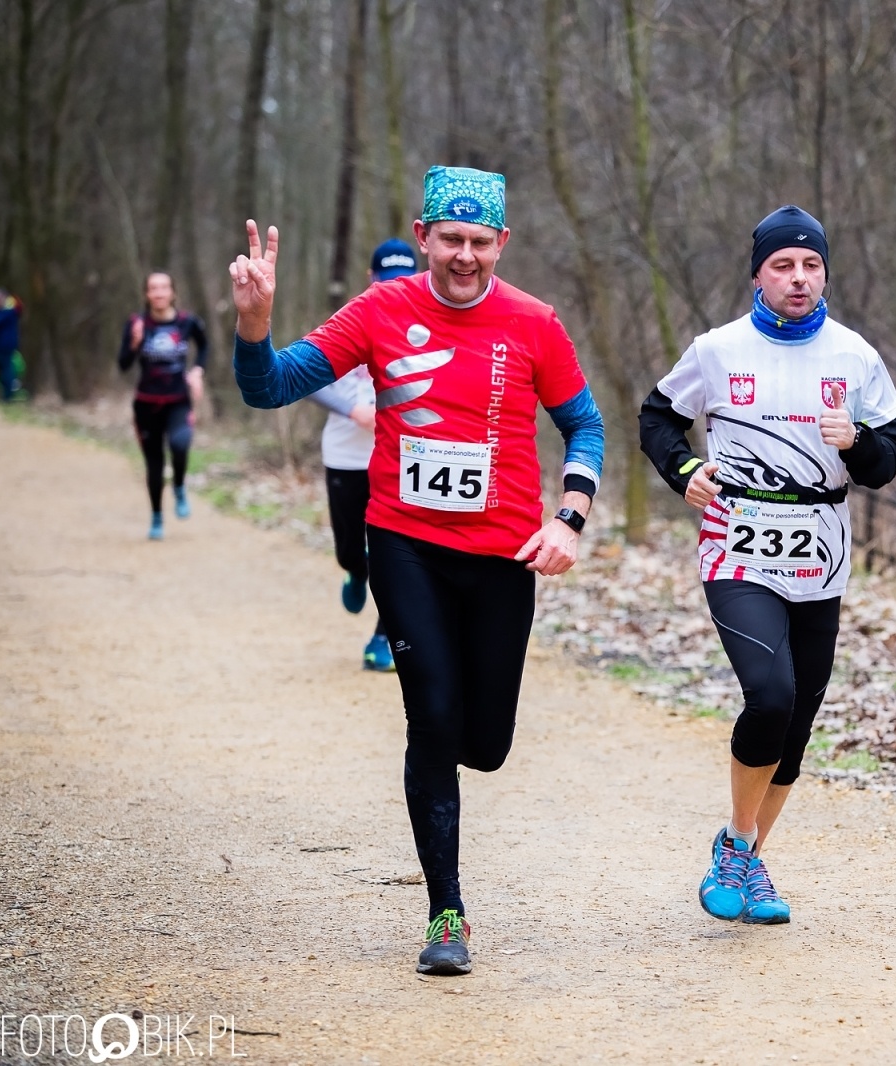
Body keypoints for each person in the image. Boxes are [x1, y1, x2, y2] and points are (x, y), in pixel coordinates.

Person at [228, 166, 605, 976]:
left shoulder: (534, 323)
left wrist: (568, 518)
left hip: (504, 554)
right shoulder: (381, 310)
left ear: (501, 243)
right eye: (450, 240)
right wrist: (254, 322)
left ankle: (449, 756)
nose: (464, 257)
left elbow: (585, 426)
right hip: (405, 543)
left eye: (479, 242)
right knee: (431, 718)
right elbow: (270, 387)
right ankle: (446, 913)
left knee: (488, 744)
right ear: (423, 235)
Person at [639, 205, 896, 925]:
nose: (799, 277)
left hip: (821, 548)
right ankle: (737, 845)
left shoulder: (855, 356)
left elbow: (888, 460)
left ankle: (745, 854)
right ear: (758, 273)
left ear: (825, 273)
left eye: (811, 264)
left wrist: (857, 442)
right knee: (771, 692)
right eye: (783, 265)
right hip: (738, 540)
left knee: (800, 718)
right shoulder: (718, 349)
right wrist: (684, 466)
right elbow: (656, 416)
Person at [305, 238, 421, 672]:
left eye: (405, 280)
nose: (397, 289)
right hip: (346, 454)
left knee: (400, 556)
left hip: (402, 461)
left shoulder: (431, 328)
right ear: (372, 279)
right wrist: (352, 409)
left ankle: (383, 639)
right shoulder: (353, 319)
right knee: (352, 551)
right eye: (388, 280)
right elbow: (306, 377)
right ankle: (356, 570)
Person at [118, 273, 207, 540]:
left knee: (180, 445)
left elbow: (204, 346)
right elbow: (123, 365)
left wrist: (198, 371)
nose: (158, 293)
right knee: (154, 464)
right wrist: (134, 344)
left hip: (178, 401)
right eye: (153, 288)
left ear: (173, 292)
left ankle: (179, 485)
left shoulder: (187, 322)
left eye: (164, 287)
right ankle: (157, 515)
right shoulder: (137, 323)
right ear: (147, 294)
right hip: (146, 404)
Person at [0, 287, 26, 401]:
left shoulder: (8, 309)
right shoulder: (5, 309)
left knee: (6, 368)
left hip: (6, 344)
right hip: (2, 345)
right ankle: (9, 388)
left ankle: (9, 395)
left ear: (3, 297)